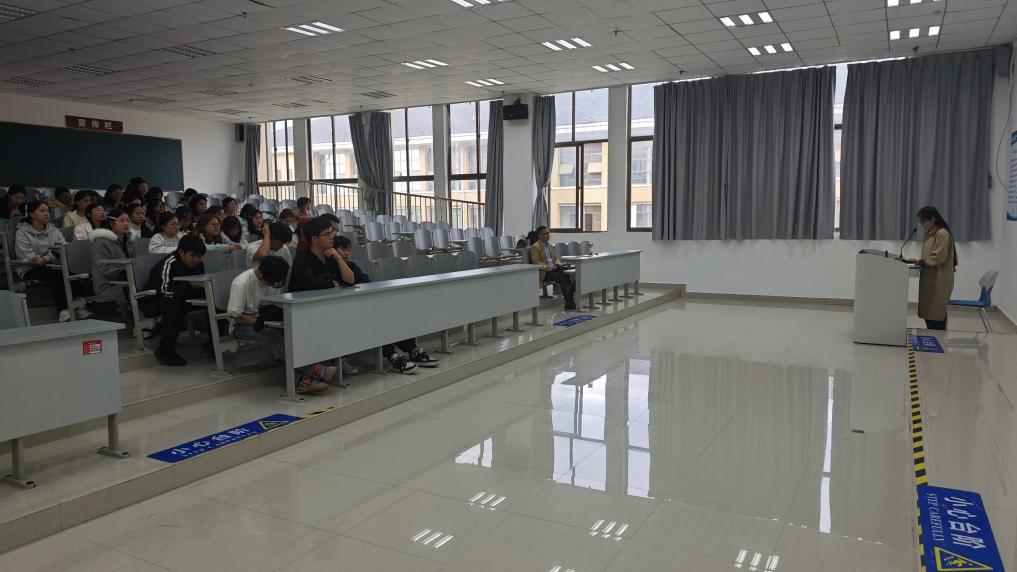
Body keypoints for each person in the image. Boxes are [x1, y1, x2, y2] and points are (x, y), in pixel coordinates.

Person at [227, 256, 335, 394]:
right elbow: (236, 316)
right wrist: (262, 322)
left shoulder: (272, 278)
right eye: (271, 281)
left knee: (296, 331)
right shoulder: (241, 282)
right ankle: (315, 370)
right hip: (242, 325)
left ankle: (304, 381)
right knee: (271, 335)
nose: (273, 285)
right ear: (261, 272)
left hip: (265, 320)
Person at [335, 235, 438, 372]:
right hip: (343, 311)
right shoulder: (330, 268)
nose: (347, 253)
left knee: (393, 312)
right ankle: (392, 355)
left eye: (349, 249)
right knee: (376, 319)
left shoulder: (351, 265)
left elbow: (365, 281)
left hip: (361, 305)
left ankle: (412, 350)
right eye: (343, 249)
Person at [15, 201, 91, 321]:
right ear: (31, 213)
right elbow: (33, 259)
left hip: (54, 265)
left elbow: (64, 248)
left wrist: (46, 257)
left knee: (74, 271)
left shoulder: (53, 230)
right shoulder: (22, 232)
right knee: (59, 275)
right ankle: (64, 311)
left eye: (48, 211)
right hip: (30, 268)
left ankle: (78, 305)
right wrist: (52, 255)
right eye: (42, 211)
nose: (47, 214)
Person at [140, 235, 210, 366]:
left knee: (213, 301)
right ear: (181, 252)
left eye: (199, 256)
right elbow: (165, 291)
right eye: (193, 255)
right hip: (154, 300)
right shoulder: (169, 263)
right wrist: (190, 286)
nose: (196, 260)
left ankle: (212, 344)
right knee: (175, 305)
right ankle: (165, 350)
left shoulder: (199, 264)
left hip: (184, 297)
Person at [910, 206, 957, 331]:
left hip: (939, 279)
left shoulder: (942, 234)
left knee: (937, 313)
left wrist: (922, 261)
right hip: (929, 279)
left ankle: (939, 337)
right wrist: (919, 261)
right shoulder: (929, 234)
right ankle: (932, 336)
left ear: (932, 220)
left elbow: (938, 257)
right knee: (929, 313)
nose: (922, 224)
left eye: (924, 221)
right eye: (920, 221)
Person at [90, 208, 138, 305]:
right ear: (111, 223)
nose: (126, 224)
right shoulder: (101, 242)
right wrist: (126, 273)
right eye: (122, 220)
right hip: (109, 284)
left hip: (129, 281)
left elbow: (137, 261)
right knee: (141, 292)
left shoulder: (131, 240)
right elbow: (104, 268)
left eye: (128, 220)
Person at [529, 226, 576, 310]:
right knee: (562, 277)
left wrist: (557, 265)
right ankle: (569, 300)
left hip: (554, 268)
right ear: (539, 235)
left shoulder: (550, 245)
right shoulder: (535, 247)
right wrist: (549, 267)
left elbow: (555, 259)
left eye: (548, 233)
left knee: (569, 273)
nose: (548, 235)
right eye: (545, 233)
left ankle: (569, 299)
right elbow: (536, 262)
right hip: (545, 272)